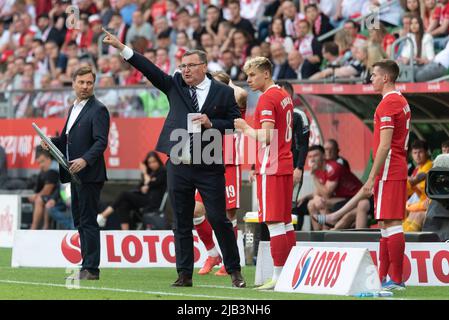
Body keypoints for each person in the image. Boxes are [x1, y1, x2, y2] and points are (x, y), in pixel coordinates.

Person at [102, 28, 245, 288]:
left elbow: (236, 122)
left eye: (190, 66)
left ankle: (234, 270)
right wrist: (122, 47)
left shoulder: (223, 92)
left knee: (219, 218)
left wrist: (212, 122)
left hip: (209, 162)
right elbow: (150, 69)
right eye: (182, 65)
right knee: (180, 220)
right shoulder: (175, 85)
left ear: (204, 66)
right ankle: (184, 274)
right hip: (178, 162)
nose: (185, 70)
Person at [43, 66, 110, 281]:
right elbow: (65, 140)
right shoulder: (74, 108)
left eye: (89, 83)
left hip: (89, 173)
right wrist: (50, 143)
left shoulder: (98, 109)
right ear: (73, 83)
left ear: (93, 84)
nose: (85, 86)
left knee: (88, 221)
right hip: (75, 174)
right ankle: (85, 265)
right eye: (81, 82)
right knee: (80, 221)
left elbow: (101, 142)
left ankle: (92, 268)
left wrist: (85, 160)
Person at [234, 56, 294, 290]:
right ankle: (289, 272)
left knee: (274, 222)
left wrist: (245, 127)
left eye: (252, 75)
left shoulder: (267, 98)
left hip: (272, 165)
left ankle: (279, 276)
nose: (249, 80)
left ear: (266, 74)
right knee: (286, 222)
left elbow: (267, 135)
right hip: (285, 163)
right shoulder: (284, 96)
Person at [351, 60, 411, 290]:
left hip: (389, 170)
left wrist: (370, 177)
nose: (371, 79)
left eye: (374, 75)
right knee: (386, 224)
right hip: (393, 169)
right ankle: (385, 276)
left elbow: (385, 146)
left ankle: (396, 279)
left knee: (392, 224)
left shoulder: (388, 104)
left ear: (385, 78)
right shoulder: (401, 101)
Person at [193, 71, 247, 276]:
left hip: (230, 163)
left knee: (228, 215)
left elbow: (241, 93)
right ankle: (213, 253)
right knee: (195, 211)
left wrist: (224, 85)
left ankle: (230, 261)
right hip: (208, 161)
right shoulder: (205, 108)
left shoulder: (235, 105)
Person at [96, 151, 167, 230]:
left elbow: (151, 183)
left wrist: (144, 173)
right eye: (149, 163)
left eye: (154, 162)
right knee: (123, 204)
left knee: (124, 194)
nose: (152, 164)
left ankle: (103, 215)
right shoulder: (150, 173)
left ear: (158, 161)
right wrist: (142, 188)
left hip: (152, 202)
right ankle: (125, 232)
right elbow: (140, 186)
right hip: (143, 198)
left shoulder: (162, 171)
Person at [307, 145, 362, 231]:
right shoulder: (317, 169)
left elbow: (326, 193)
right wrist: (316, 197)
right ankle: (316, 234)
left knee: (323, 203)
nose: (312, 159)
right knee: (311, 204)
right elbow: (319, 191)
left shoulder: (333, 167)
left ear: (323, 156)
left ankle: (325, 234)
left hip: (354, 198)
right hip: (339, 198)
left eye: (315, 155)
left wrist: (314, 176)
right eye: (310, 156)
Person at [403, 140, 433, 231]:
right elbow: (411, 190)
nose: (417, 156)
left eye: (420, 152)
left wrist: (409, 206)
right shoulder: (418, 168)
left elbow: (423, 193)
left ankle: (405, 240)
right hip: (422, 204)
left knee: (414, 213)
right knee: (411, 213)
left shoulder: (429, 166)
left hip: (428, 205)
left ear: (426, 152)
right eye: (415, 153)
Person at [30, 147, 60, 230]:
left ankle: (36, 227)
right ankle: (43, 226)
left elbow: (47, 191)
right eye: (39, 163)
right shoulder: (44, 171)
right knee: (42, 199)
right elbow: (39, 189)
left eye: (42, 162)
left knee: (40, 199)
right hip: (55, 196)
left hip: (62, 197)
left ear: (48, 159)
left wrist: (36, 196)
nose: (41, 165)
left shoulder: (54, 170)